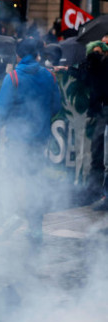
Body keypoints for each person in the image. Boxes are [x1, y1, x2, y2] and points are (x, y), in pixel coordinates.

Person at [0, 38, 62, 244]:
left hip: (17, 141)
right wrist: (42, 120)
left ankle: (13, 216)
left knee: (10, 179)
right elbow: (56, 106)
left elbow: (1, 111)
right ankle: (36, 229)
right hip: (40, 140)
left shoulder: (13, 78)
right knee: (34, 183)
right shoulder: (50, 76)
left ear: (18, 55)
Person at [85, 41, 108, 211]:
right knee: (99, 152)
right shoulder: (97, 64)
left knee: (102, 153)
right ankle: (96, 191)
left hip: (104, 111)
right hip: (101, 111)